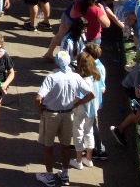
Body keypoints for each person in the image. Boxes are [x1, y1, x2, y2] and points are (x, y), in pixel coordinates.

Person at [35, 50, 96, 187]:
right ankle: (65, 173)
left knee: (48, 146)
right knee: (66, 146)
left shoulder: (51, 77)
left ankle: (49, 176)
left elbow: (38, 98)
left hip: (51, 114)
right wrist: (76, 103)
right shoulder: (76, 77)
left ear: (57, 61)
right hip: (68, 114)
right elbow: (91, 94)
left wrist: (41, 108)